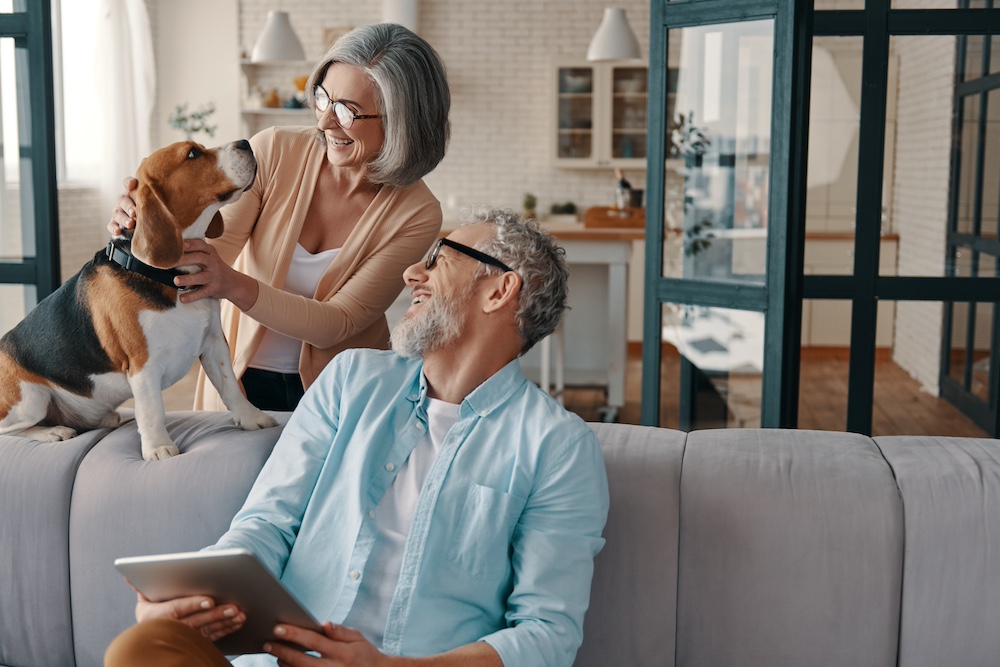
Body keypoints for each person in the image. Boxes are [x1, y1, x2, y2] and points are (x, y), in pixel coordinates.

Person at [104, 209, 610, 667]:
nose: (413, 273)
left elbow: (547, 635)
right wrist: (198, 594)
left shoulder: (557, 446)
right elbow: (269, 522)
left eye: (438, 260)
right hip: (275, 658)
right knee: (142, 647)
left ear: (500, 291)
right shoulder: (351, 380)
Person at [110, 23, 450, 411]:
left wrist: (234, 284)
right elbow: (204, 253)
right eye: (324, 98)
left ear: (401, 121)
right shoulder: (273, 150)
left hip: (342, 395)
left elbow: (337, 323)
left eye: (347, 111)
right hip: (238, 379)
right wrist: (145, 220)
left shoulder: (418, 213)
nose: (324, 123)